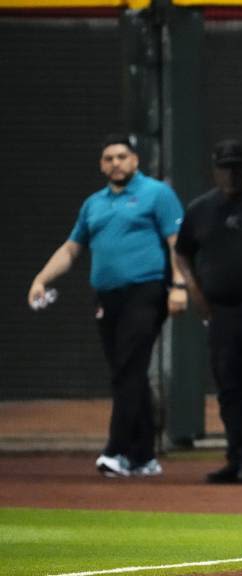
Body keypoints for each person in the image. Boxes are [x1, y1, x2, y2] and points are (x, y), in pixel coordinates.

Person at [27, 134, 186, 478]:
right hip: (106, 297)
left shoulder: (157, 194)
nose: (115, 163)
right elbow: (71, 249)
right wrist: (41, 279)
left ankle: (116, 451)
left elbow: (178, 243)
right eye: (109, 158)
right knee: (128, 371)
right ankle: (144, 456)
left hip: (146, 290)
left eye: (122, 156)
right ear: (102, 165)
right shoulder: (93, 204)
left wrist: (178, 285)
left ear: (135, 161)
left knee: (127, 367)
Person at [174, 139, 242, 485]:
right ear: (215, 170)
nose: (230, 174)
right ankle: (235, 455)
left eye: (236, 167)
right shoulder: (201, 209)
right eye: (224, 168)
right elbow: (182, 252)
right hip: (221, 313)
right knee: (228, 387)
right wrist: (192, 289)